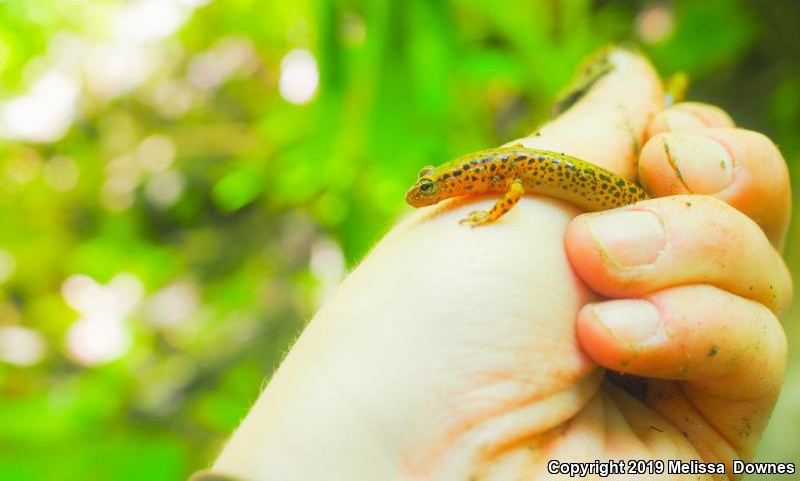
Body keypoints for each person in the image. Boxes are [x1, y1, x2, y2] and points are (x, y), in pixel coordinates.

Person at [193, 48, 792, 480]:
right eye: (430, 189)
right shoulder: (491, 174)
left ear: (461, 180)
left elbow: (512, 194)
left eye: (432, 189)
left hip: (630, 200)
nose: (425, 195)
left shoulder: (501, 173)